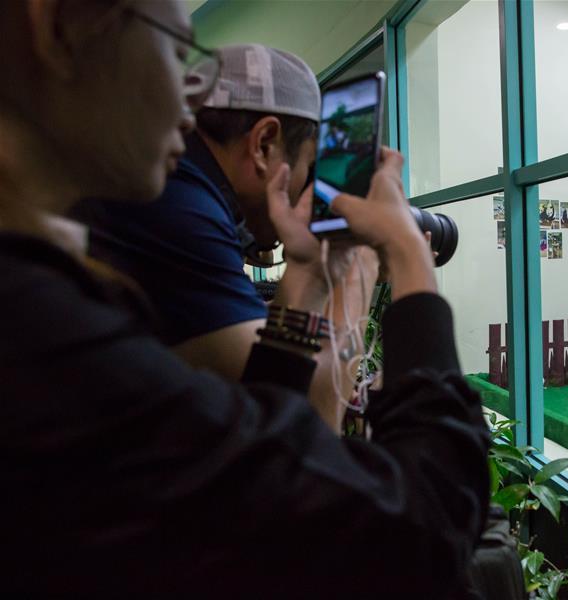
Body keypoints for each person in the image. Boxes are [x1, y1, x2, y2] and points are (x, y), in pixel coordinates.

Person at [0, 1, 487, 596]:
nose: (189, 110)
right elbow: (423, 532)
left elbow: (252, 438)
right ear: (56, 28)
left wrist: (306, 277)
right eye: (178, 53)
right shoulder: (40, 318)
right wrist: (403, 256)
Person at [74, 44, 369, 430]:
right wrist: (360, 262)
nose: (309, 192)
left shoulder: (181, 186)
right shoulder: (176, 201)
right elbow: (294, 424)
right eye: (310, 168)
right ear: (264, 144)